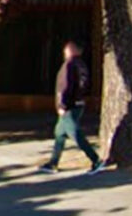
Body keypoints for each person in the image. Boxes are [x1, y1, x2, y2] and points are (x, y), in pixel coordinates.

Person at [38, 41, 106, 175]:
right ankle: (53, 162)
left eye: (65, 51)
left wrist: (63, 104)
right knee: (59, 133)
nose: (64, 53)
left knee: (75, 134)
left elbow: (67, 86)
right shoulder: (82, 65)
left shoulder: (70, 65)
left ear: (70, 50)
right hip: (78, 103)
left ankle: (96, 160)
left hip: (69, 106)